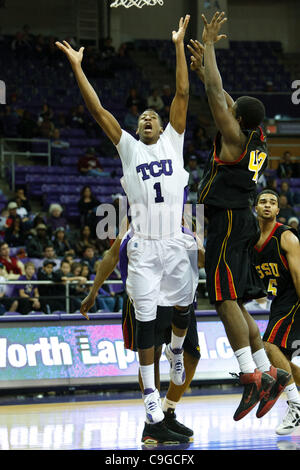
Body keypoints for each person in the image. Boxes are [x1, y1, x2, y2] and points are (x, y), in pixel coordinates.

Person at [56, 15, 198, 442]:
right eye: (145, 119)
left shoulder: (175, 140)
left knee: (184, 305)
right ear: (138, 129)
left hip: (175, 240)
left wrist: (177, 46)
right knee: (145, 326)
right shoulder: (129, 148)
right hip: (144, 248)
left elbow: (184, 91)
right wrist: (79, 67)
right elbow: (98, 110)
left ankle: (176, 353)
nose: (150, 120)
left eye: (155, 117)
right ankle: (153, 406)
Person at [189, 13, 290, 421]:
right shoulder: (257, 135)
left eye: (232, 112)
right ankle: (270, 372)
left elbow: (216, 93)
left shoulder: (232, 137)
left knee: (223, 297)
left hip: (229, 220)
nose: (225, 112)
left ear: (238, 121)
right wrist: (206, 72)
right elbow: (225, 97)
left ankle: (250, 377)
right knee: (238, 302)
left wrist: (209, 48)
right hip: (240, 219)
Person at [80, 227, 203, 444]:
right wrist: (94, 291)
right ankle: (153, 424)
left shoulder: (184, 217)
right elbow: (112, 254)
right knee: (151, 356)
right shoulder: (136, 216)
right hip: (145, 295)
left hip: (179, 295)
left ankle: (169, 411)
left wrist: (200, 246)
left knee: (191, 356)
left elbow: (199, 260)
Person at [254, 190, 300, 434]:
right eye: (263, 202)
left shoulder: (286, 236)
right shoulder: (252, 240)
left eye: (272, 202)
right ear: (256, 207)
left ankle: (296, 407)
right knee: (284, 364)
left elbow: (298, 276)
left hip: (295, 298)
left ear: (278, 210)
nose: (268, 205)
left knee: (268, 345)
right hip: (279, 301)